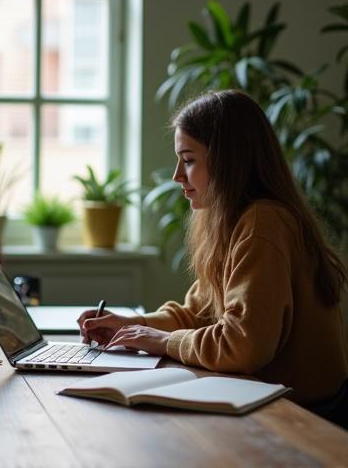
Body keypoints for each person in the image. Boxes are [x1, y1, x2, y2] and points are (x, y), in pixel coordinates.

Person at [78, 90, 348, 427]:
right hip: (270, 401)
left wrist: (162, 341)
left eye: (188, 160)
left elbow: (242, 346)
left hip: (306, 418)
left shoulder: (264, 222)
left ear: (228, 161)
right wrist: (135, 326)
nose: (177, 175)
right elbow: (198, 312)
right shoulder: (232, 219)